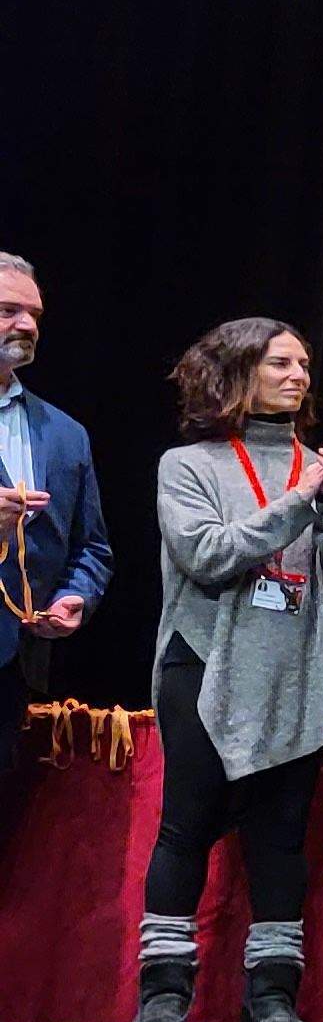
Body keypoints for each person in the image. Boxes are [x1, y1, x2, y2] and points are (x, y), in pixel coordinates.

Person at [141, 318, 323, 1022]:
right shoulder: (189, 466)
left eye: (305, 363)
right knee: (185, 828)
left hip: (297, 674)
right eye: (280, 362)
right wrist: (301, 499)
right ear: (237, 371)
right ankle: (162, 991)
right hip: (205, 666)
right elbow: (210, 554)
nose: (298, 375)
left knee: (280, 839)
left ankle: (273, 994)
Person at [0, 253, 115, 866]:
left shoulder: (64, 433)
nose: (27, 325)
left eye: (35, 315)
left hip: (13, 662)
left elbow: (91, 547)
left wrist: (74, 597)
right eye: (8, 311)